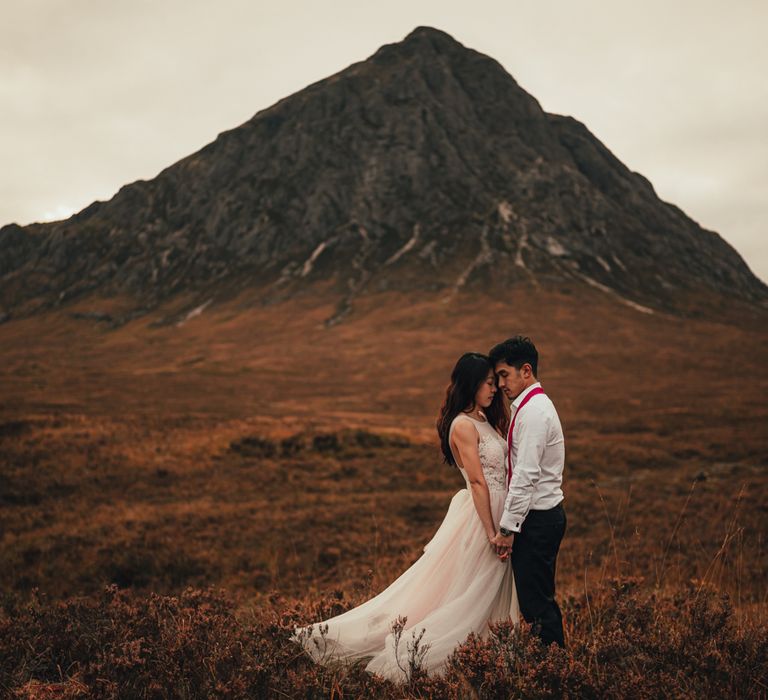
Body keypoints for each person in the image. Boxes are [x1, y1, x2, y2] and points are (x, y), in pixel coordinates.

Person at [292, 352, 520, 681]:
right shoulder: (462, 425)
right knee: (472, 591)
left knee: (485, 589)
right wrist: (491, 531)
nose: (495, 388)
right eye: (488, 383)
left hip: (499, 511)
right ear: (471, 384)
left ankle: (487, 654)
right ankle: (445, 653)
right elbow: (476, 480)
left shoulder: (485, 419)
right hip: (483, 516)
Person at [489, 336, 567, 648]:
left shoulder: (535, 412)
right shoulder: (530, 406)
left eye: (504, 375)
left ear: (525, 371)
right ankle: (552, 666)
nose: (500, 384)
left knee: (537, 605)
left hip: (538, 520)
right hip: (537, 518)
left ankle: (554, 670)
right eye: (496, 378)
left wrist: (508, 528)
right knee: (535, 601)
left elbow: (525, 475)